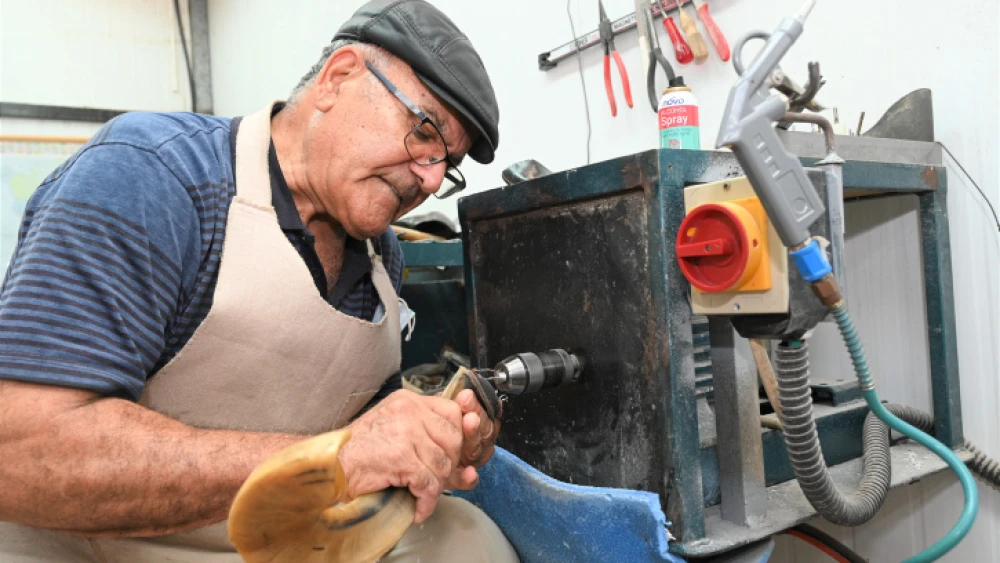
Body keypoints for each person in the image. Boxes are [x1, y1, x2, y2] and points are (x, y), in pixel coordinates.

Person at [0, 1, 517, 561]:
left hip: (275, 538)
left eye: (449, 164)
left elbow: (355, 418)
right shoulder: (152, 178)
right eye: (424, 132)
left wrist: (430, 431)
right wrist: (337, 456)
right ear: (338, 77)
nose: (432, 176)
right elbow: (20, 453)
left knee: (470, 540)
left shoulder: (380, 257)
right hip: (102, 545)